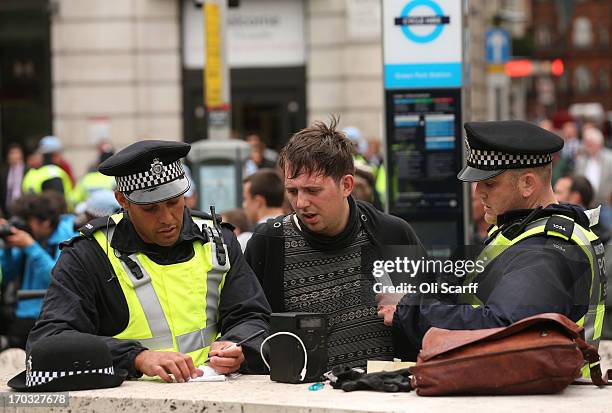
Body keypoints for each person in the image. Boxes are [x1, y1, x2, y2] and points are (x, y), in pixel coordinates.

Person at [27, 140, 271, 383]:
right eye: (150, 208)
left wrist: (237, 344)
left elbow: (252, 315)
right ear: (122, 201)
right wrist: (136, 358)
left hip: (214, 392)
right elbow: (48, 340)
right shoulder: (88, 255)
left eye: (174, 202)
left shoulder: (219, 239)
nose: (167, 219)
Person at [382, 121, 606, 368]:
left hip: (537, 402)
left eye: (490, 184)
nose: (479, 193)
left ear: (528, 184)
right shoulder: (520, 229)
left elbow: (504, 327)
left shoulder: (548, 248)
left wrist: (410, 312)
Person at [245, 117, 424, 369]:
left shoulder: (390, 234)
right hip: (302, 401)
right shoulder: (269, 243)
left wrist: (407, 306)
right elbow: (249, 323)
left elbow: (434, 313)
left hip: (383, 397)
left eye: (313, 191)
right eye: (293, 191)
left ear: (346, 185)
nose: (301, 203)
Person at [0, 192, 77, 349]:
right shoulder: (32, 238)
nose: (25, 225)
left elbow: (60, 278)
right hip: (22, 313)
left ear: (46, 222)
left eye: (29, 220)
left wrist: (30, 247)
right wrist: (7, 249)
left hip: (51, 318)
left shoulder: (69, 240)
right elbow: (7, 276)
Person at [0, 143, 26, 216]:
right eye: (12, 153)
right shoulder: (4, 172)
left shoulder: (28, 170)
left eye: (17, 153)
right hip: (7, 209)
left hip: (23, 208)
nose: (14, 156)